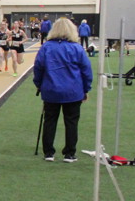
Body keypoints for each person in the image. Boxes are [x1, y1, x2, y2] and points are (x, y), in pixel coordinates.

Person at [33, 18, 92, 163]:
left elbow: (38, 67)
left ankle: (49, 152)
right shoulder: (77, 48)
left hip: (51, 89)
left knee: (50, 120)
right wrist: (86, 89)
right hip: (72, 91)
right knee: (71, 122)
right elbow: (86, 70)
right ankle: (69, 153)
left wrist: (39, 84)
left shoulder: (46, 47)